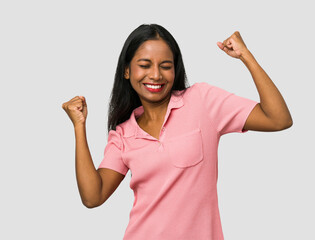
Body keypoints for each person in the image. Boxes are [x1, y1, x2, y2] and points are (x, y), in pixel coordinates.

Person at [62, 23, 292, 240]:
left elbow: (278, 119)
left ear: (175, 69)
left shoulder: (202, 101)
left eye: (165, 66)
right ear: (127, 71)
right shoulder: (123, 134)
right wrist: (79, 126)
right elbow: (93, 197)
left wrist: (245, 56)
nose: (155, 75)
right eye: (144, 65)